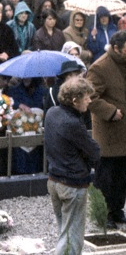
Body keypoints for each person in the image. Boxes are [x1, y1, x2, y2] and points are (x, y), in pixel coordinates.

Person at [87, 30, 126, 229]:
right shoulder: (99, 68)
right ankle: (102, 213)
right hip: (109, 134)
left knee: (123, 176)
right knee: (106, 177)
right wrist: (111, 111)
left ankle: (117, 210)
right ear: (115, 48)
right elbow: (90, 98)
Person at [45, 77, 100, 255]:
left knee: (63, 230)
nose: (89, 101)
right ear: (75, 100)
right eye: (86, 97)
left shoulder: (52, 113)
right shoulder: (73, 123)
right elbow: (94, 151)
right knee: (72, 237)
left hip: (54, 180)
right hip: (72, 184)